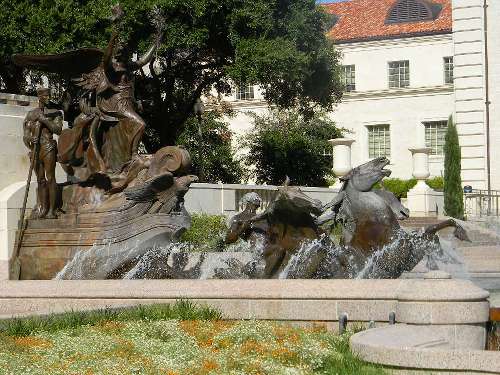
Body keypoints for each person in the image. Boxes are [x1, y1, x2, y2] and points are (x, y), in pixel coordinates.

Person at [23, 88, 63, 219]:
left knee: (50, 177)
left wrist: (44, 120)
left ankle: (52, 209)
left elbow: (58, 130)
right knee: (40, 180)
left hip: (48, 147)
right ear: (39, 96)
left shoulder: (55, 113)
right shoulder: (30, 114)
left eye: (49, 96)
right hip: (35, 149)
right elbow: (25, 135)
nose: (48, 98)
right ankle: (43, 208)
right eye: (45, 96)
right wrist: (30, 139)